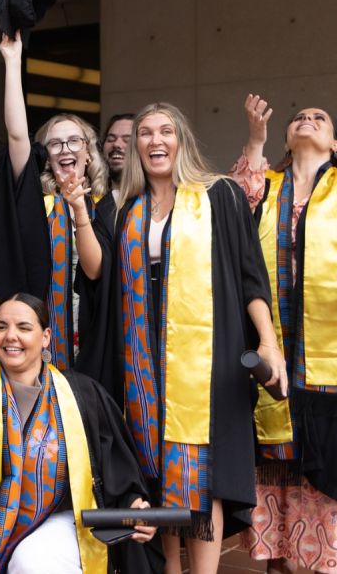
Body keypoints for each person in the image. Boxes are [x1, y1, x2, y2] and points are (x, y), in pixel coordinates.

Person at [111, 101, 285, 574]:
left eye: (165, 131)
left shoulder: (219, 195)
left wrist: (268, 342)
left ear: (181, 140)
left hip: (204, 361)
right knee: (158, 467)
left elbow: (252, 274)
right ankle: (172, 567)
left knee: (198, 470)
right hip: (144, 361)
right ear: (136, 148)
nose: (154, 141)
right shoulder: (128, 213)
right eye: (145, 133)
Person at [0, 293, 157, 574]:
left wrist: (134, 506)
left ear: (45, 337)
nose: (10, 336)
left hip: (68, 521)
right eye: (1, 327)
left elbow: (117, 467)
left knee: (33, 560)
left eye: (23, 327)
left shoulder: (81, 393)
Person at [232, 94, 337, 574]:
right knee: (275, 469)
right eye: (299, 117)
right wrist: (255, 139)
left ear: (336, 142)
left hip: (330, 354)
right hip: (273, 342)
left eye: (320, 118)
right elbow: (233, 206)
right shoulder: (267, 187)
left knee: (326, 465)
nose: (308, 120)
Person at [0, 32, 114, 374]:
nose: (65, 149)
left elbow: (97, 272)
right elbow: (17, 135)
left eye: (73, 141)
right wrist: (13, 62)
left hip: (97, 334)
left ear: (88, 150)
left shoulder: (110, 206)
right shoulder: (37, 206)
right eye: (55, 144)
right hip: (41, 336)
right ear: (46, 157)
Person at [101, 114, 134, 203]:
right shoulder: (89, 200)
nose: (116, 144)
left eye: (127, 140)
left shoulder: (155, 199)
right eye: (111, 139)